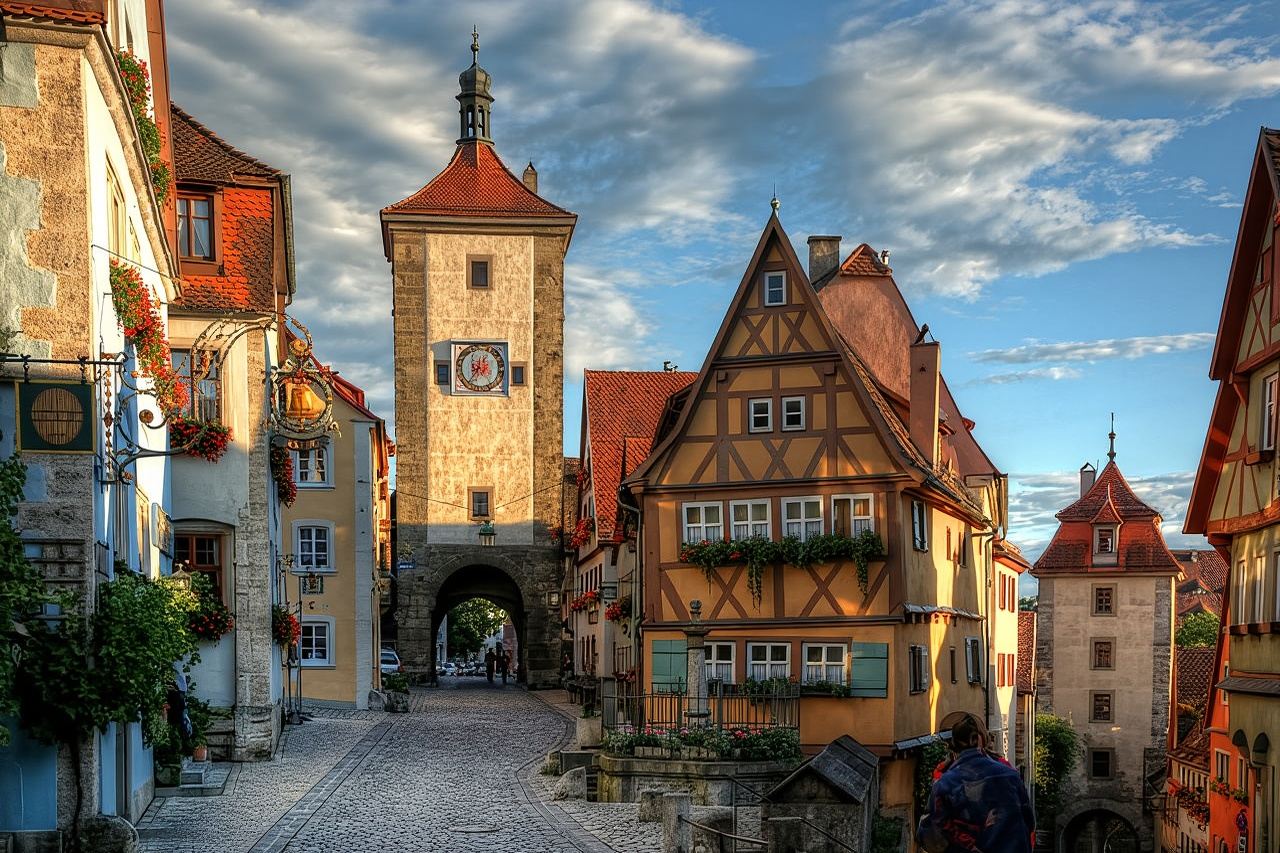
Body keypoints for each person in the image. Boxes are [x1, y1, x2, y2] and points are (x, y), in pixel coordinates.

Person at [917, 711, 1035, 853]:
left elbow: (931, 833)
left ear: (951, 746)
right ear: (981, 740)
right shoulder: (1009, 773)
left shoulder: (944, 781)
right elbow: (1029, 821)